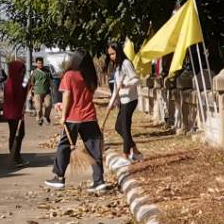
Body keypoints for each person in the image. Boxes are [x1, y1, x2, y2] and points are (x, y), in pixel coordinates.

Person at [45, 51, 108, 192]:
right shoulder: (90, 77)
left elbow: (67, 96)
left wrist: (63, 115)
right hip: (89, 116)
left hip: (73, 117)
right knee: (94, 149)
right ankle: (99, 180)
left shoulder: (69, 75)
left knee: (64, 147)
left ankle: (59, 177)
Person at [105, 43, 142, 161]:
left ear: (119, 51)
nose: (111, 56)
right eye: (110, 54)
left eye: (113, 53)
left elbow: (136, 79)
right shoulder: (117, 67)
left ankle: (125, 156)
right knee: (118, 127)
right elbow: (116, 88)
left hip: (130, 100)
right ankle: (135, 151)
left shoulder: (126, 63)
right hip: (123, 101)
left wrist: (126, 84)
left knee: (125, 128)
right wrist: (111, 103)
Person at [2, 57, 28, 166]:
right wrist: (19, 113)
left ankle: (16, 156)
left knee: (20, 134)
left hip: (17, 113)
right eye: (21, 71)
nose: (23, 73)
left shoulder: (18, 81)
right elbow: (13, 100)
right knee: (15, 134)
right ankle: (15, 157)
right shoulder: (11, 83)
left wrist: (27, 86)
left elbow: (23, 91)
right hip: (13, 114)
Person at [28, 59, 56, 125]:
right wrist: (31, 91)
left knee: (48, 105)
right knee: (38, 108)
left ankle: (46, 117)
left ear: (43, 63)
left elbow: (51, 81)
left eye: (41, 63)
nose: (40, 64)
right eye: (38, 63)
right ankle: (39, 119)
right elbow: (31, 83)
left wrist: (53, 89)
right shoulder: (34, 72)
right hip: (37, 92)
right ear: (36, 64)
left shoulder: (48, 71)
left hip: (47, 92)